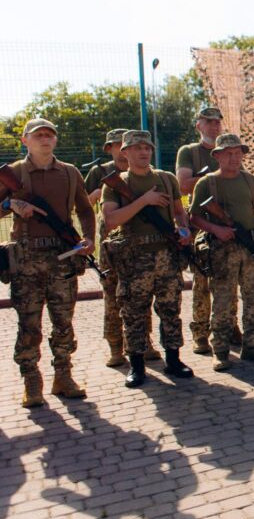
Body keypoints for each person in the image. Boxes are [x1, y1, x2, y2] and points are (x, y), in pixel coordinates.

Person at [1, 119, 94, 407]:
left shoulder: (69, 172)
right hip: (26, 260)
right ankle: (32, 381)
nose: (45, 139)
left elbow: (86, 210)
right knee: (29, 324)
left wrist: (89, 239)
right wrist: (10, 205)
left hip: (62, 257)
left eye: (50, 135)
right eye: (38, 135)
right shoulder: (13, 173)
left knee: (63, 322)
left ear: (55, 141)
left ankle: (63, 376)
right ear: (25, 140)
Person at [102, 129, 195, 388]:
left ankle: (174, 360)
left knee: (170, 309)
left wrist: (184, 229)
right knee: (134, 313)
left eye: (147, 148)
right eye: (137, 148)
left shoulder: (165, 179)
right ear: (125, 152)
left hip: (166, 254)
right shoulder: (116, 183)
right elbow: (111, 221)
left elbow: (178, 211)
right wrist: (144, 201)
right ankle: (137, 365)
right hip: (134, 258)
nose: (143, 152)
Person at [190, 134, 254, 371]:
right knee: (223, 300)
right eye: (228, 153)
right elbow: (194, 217)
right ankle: (220, 349)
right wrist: (215, 228)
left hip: (250, 246)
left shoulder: (250, 181)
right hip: (222, 250)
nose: (234, 158)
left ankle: (252, 344)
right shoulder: (207, 183)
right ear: (217, 155)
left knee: (253, 299)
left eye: (238, 153)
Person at [84, 128, 160, 366]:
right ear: (112, 149)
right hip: (111, 245)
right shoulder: (100, 172)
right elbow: (83, 205)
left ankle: (143, 341)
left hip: (137, 246)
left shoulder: (143, 174)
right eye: (116, 145)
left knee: (141, 294)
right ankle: (116, 346)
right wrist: (96, 194)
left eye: (123, 143)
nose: (121, 148)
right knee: (113, 297)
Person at [175, 107, 241, 353]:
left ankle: (229, 325)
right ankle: (201, 332)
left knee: (229, 281)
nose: (214, 126)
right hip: (201, 225)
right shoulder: (190, 152)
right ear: (198, 126)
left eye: (217, 122)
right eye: (208, 122)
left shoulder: (229, 150)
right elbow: (182, 185)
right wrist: (216, 176)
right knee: (202, 283)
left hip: (228, 224)